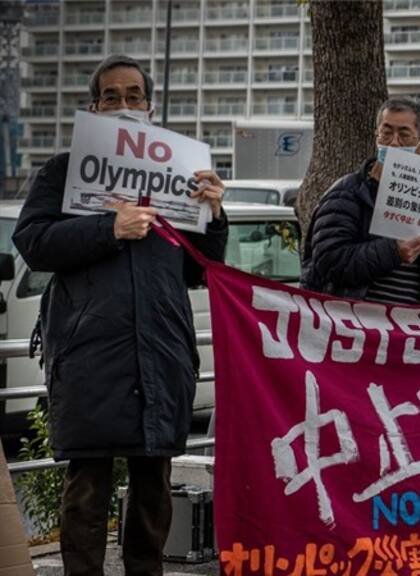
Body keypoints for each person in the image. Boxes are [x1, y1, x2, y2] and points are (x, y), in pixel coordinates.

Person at [12, 54, 228, 575]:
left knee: (153, 488)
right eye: (112, 96)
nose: (124, 105)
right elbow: (33, 242)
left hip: (161, 350)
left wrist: (215, 213)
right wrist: (107, 230)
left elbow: (202, 268)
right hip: (90, 353)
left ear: (150, 107)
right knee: (87, 488)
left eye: (134, 96)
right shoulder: (64, 171)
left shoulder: (177, 172)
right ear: (93, 106)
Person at [301, 96, 420, 304]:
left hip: (410, 330)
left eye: (404, 134)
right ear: (376, 136)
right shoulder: (347, 194)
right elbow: (329, 261)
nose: (394, 142)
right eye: (386, 133)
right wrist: (393, 252)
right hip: (357, 327)